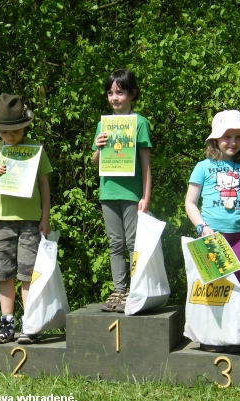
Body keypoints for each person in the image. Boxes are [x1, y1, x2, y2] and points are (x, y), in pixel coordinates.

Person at [0, 93, 52, 344]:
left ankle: (30, 323)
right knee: (4, 273)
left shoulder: (35, 150)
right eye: (5, 132)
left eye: (15, 131)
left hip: (30, 221)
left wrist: (45, 217)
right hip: (1, 221)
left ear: (24, 127)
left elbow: (44, 184)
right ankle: (6, 324)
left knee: (28, 273)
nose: (10, 136)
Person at [185, 110, 240, 353]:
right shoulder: (203, 167)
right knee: (213, 286)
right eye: (227, 136)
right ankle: (211, 336)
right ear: (215, 139)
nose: (232, 142)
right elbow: (189, 203)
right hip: (212, 237)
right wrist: (202, 228)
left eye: (238, 137)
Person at [92, 69, 152, 312]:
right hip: (108, 193)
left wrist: (146, 197)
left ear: (132, 94)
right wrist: (97, 147)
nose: (115, 98)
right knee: (115, 244)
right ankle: (119, 290)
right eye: (110, 93)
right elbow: (96, 162)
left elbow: (146, 163)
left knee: (134, 244)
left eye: (120, 93)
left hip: (132, 195)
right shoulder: (102, 125)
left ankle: (135, 291)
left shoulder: (140, 123)